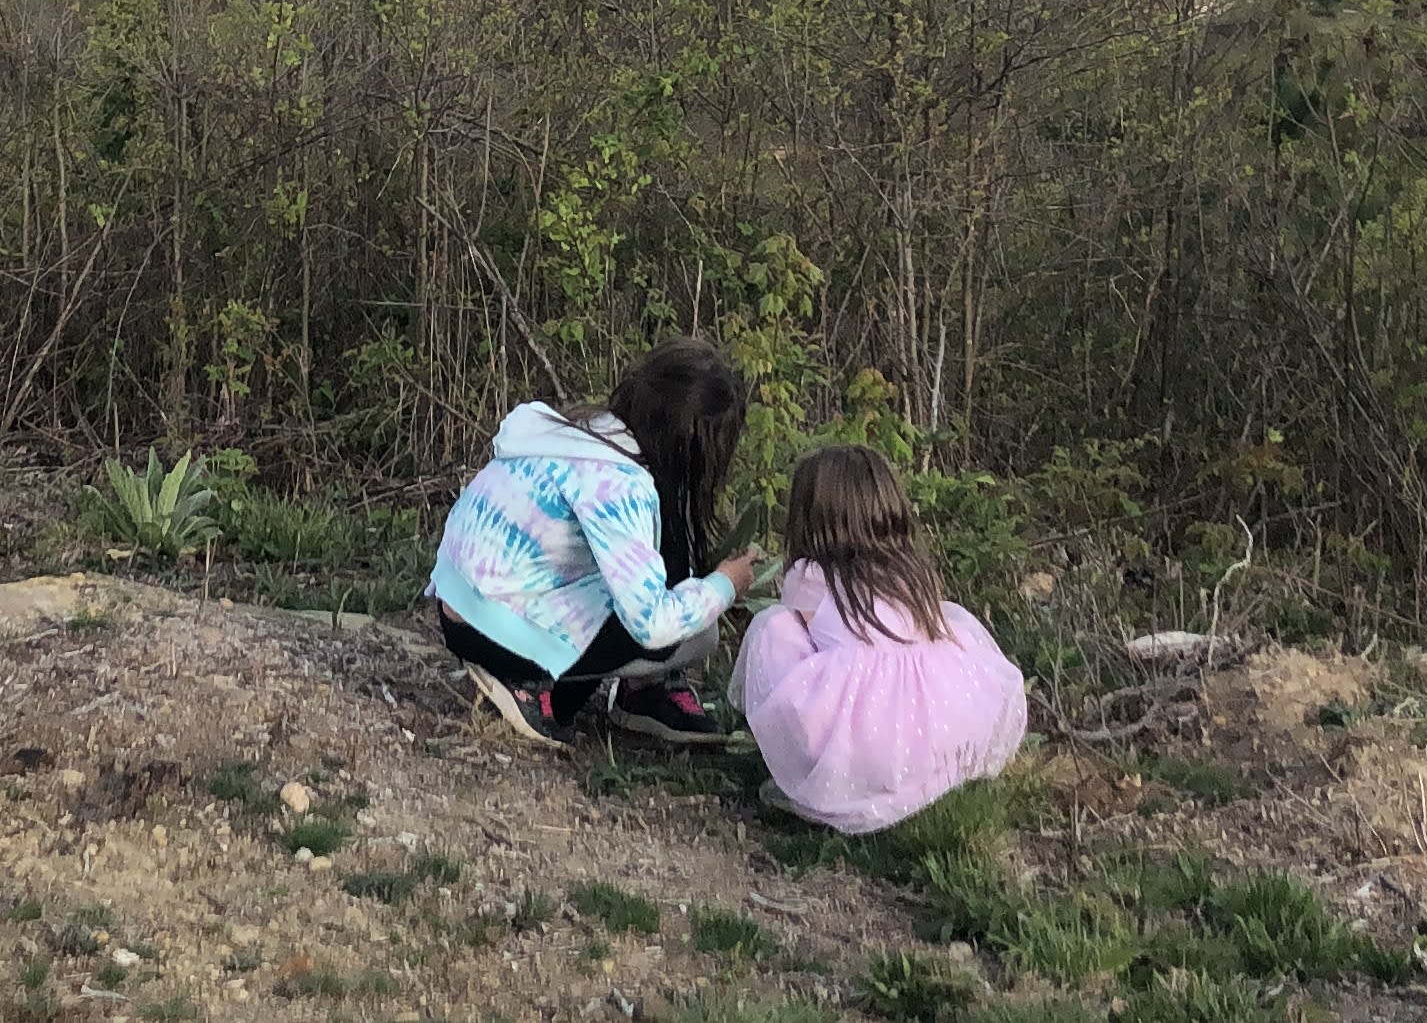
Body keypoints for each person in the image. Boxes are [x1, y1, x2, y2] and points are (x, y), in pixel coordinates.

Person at [426, 337, 760, 746]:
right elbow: (652, 624)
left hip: (459, 603)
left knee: (664, 586)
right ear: (692, 439)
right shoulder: (621, 484)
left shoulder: (574, 432)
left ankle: (608, 684)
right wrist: (725, 585)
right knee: (696, 633)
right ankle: (543, 681)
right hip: (495, 634)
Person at [731, 443, 1028, 832]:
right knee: (944, 626)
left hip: (867, 740)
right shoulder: (912, 572)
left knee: (774, 628)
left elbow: (809, 641)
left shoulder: (809, 576)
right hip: (936, 728)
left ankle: (809, 769)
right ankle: (921, 779)